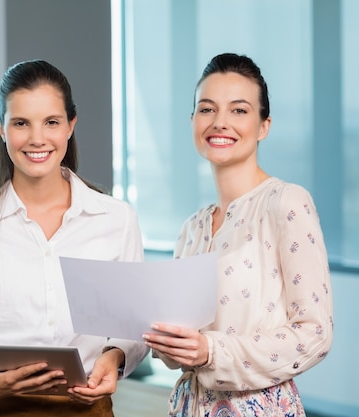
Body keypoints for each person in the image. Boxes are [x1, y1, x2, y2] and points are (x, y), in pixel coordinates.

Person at [0, 59, 149, 416]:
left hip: (86, 411)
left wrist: (116, 356)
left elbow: (130, 330)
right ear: (1, 127)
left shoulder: (116, 220)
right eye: (20, 123)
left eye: (51, 122)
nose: (36, 138)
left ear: (70, 125)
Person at [142, 53, 334, 417]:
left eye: (240, 110)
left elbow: (315, 334)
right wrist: (169, 345)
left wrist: (212, 352)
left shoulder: (286, 203)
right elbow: (184, 352)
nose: (220, 123)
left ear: (264, 126)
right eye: (207, 109)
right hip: (189, 407)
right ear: (193, 121)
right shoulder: (191, 228)